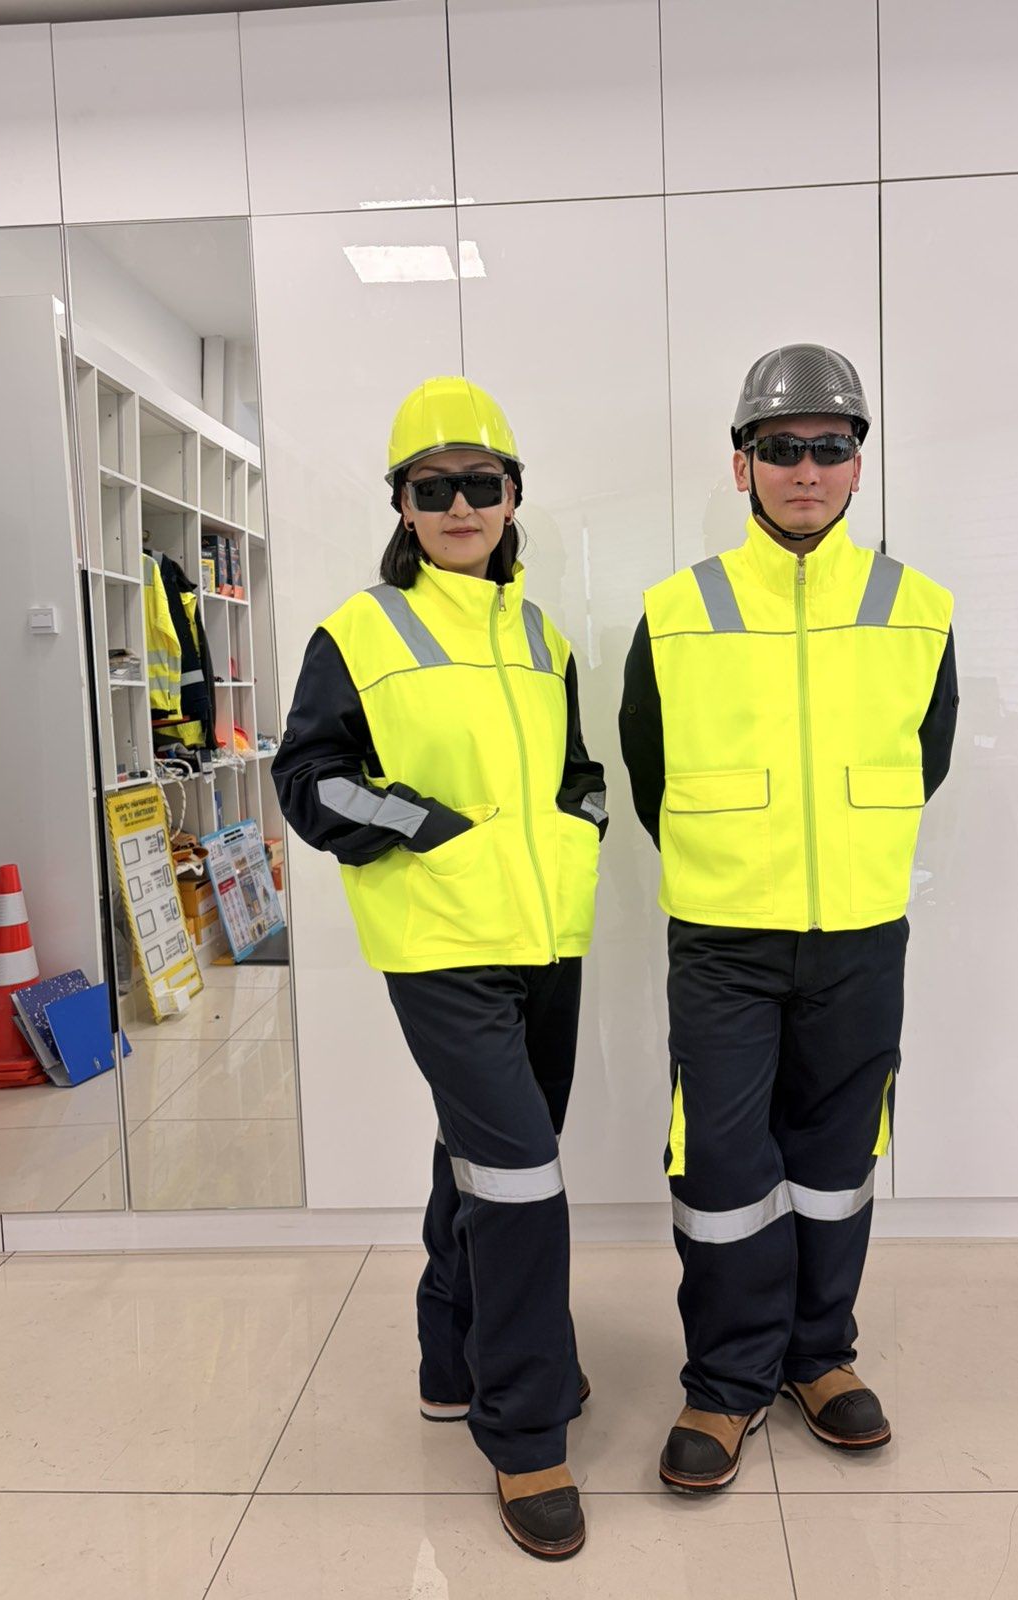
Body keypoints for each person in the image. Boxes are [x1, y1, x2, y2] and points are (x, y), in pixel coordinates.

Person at [273, 376, 606, 1560]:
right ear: (402, 505)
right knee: (522, 1180)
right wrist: (425, 826)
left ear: (512, 496)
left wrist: (581, 825)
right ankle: (526, 1430)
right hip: (439, 944)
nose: (460, 504)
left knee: (485, 1158)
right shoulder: (358, 632)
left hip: (547, 941)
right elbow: (308, 778)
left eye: (481, 482)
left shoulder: (544, 636)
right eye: (434, 487)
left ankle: (449, 1360)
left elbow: (578, 772)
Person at [619, 344, 957, 1492]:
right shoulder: (677, 612)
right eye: (781, 448)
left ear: (858, 463)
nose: (806, 468)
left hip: (861, 933)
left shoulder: (918, 609)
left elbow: (928, 756)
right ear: (742, 464)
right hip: (725, 937)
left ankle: (818, 1354)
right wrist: (738, 857)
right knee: (720, 1160)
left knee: (837, 1155)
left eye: (829, 446)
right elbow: (650, 768)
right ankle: (725, 1379)